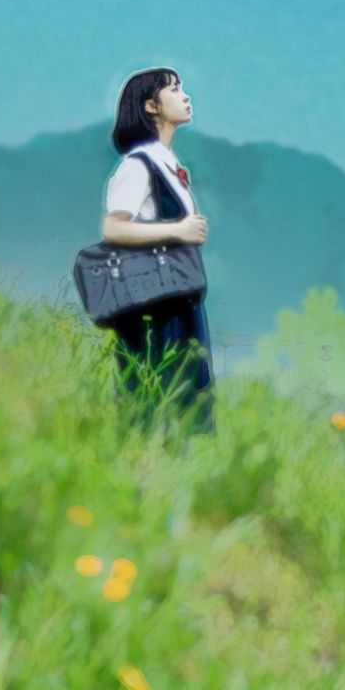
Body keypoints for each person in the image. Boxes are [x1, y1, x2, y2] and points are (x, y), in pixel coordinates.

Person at [99, 66, 213, 425]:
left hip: (179, 300)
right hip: (152, 305)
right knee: (153, 397)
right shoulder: (137, 165)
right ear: (151, 106)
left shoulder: (169, 164)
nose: (185, 96)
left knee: (186, 397)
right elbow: (113, 229)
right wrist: (177, 231)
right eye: (175, 90)